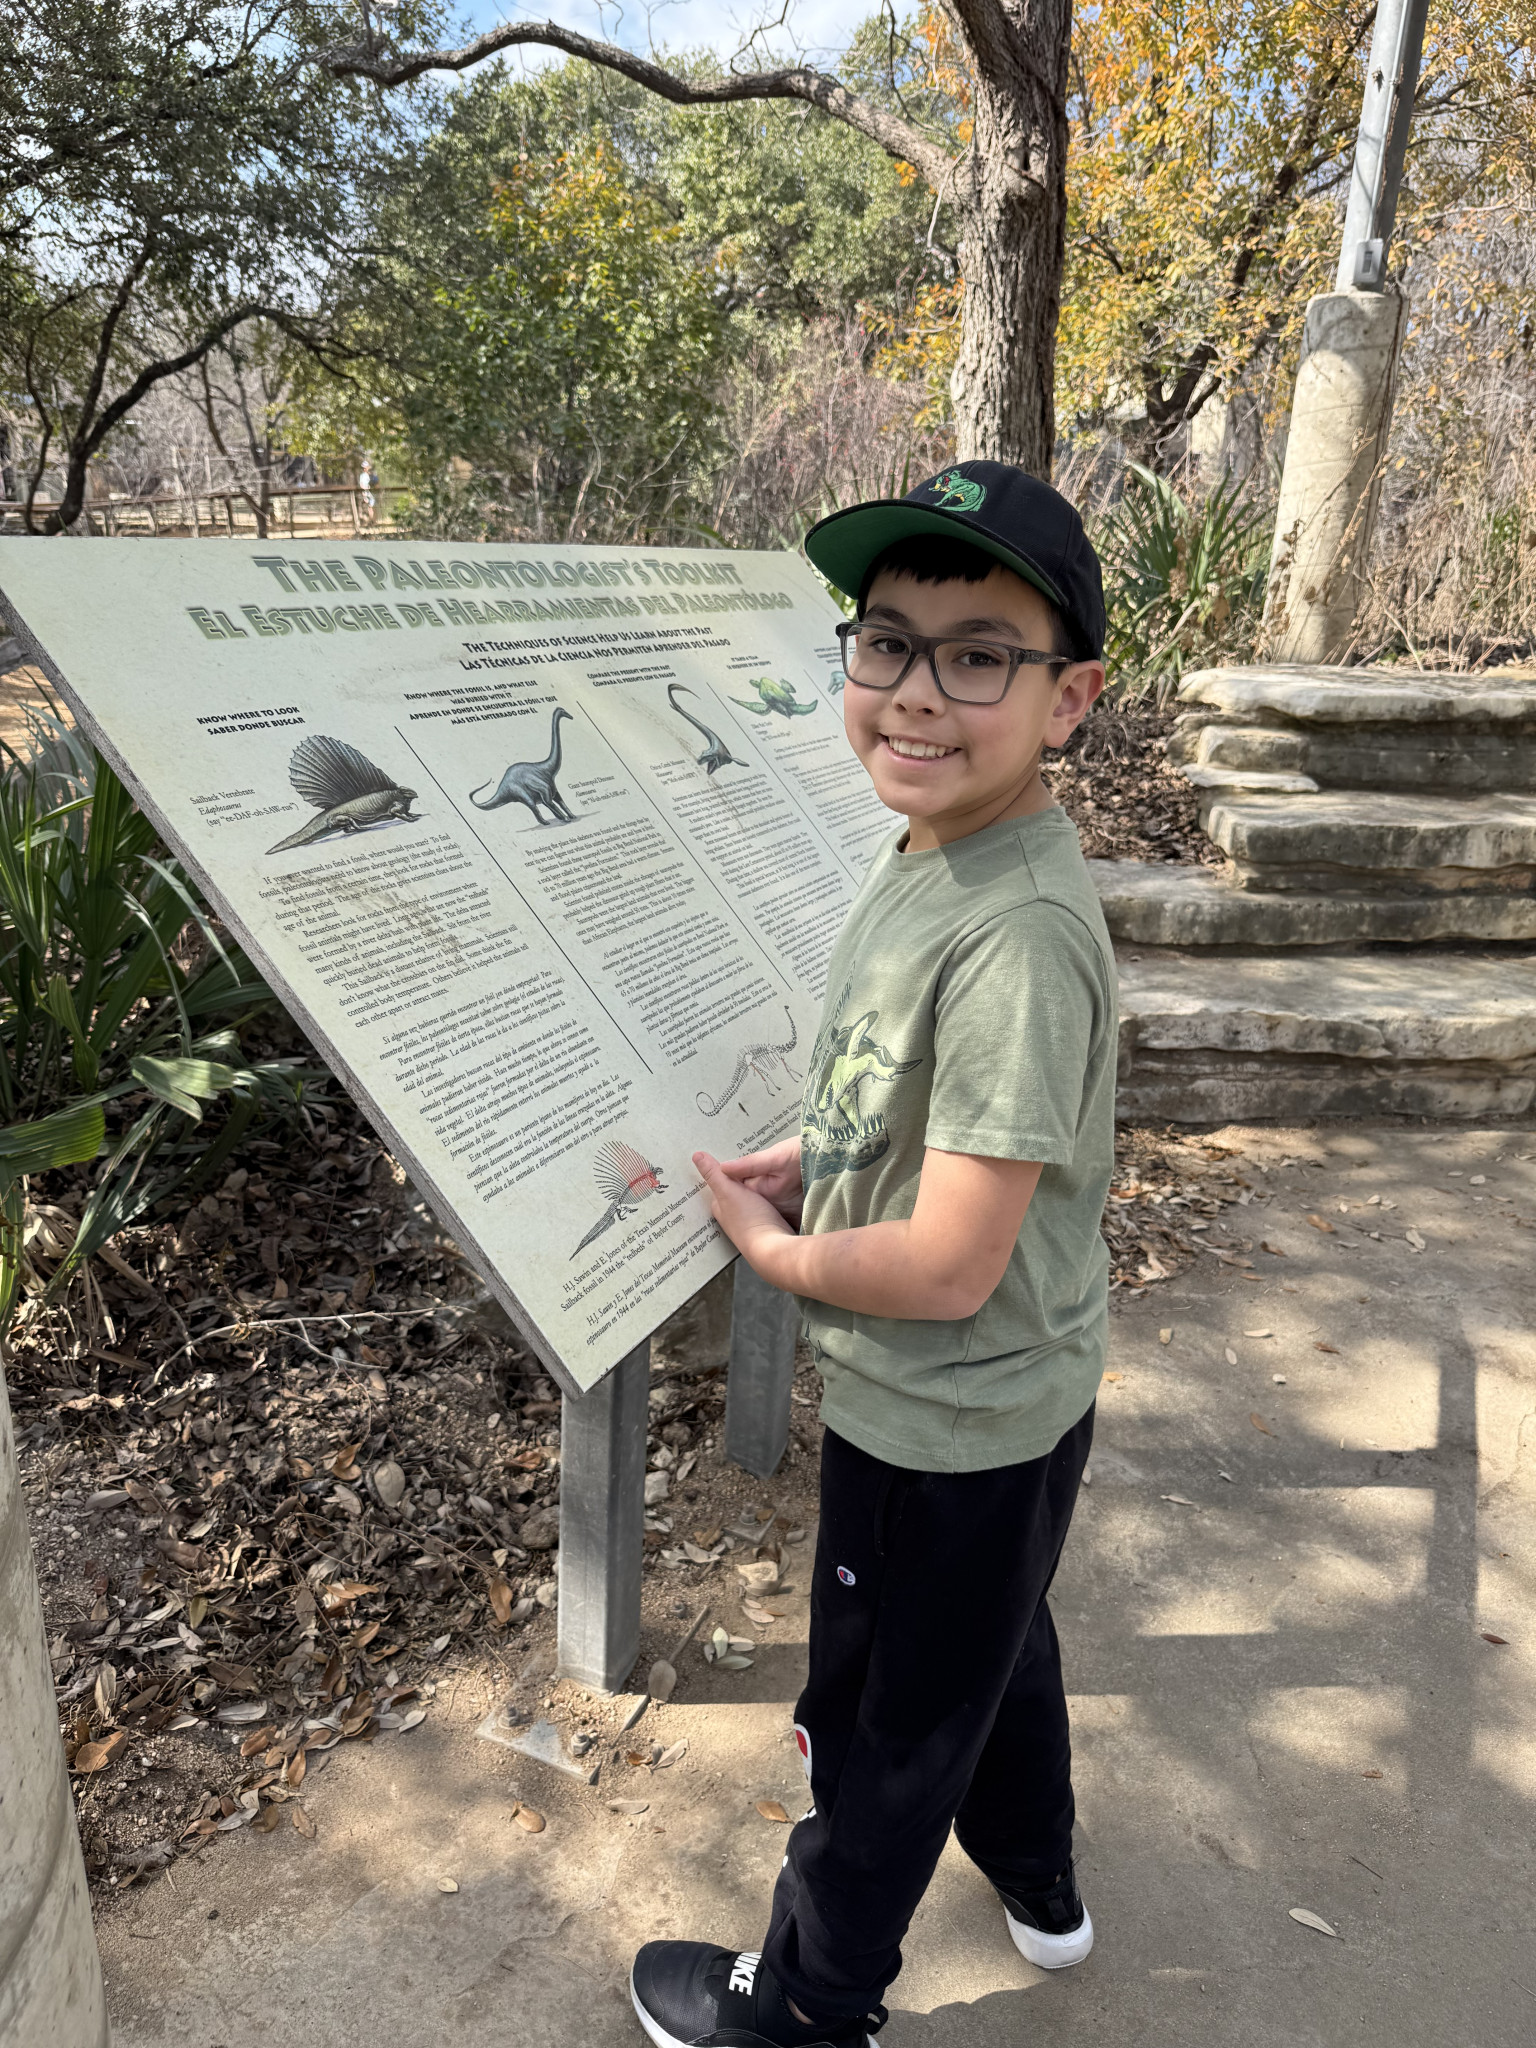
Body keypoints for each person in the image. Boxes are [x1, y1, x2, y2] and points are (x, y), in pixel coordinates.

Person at [629, 461, 1115, 2048]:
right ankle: (1041, 1883)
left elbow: (953, 1265)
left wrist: (778, 1262)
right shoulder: (942, 845)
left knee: (881, 1730)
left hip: (942, 1410)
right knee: (992, 1646)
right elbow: (918, 1104)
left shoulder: (1017, 933)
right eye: (888, 641)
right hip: (1008, 1404)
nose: (915, 691)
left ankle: (809, 2004)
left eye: (978, 657)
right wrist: (822, 1162)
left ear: (1067, 699)